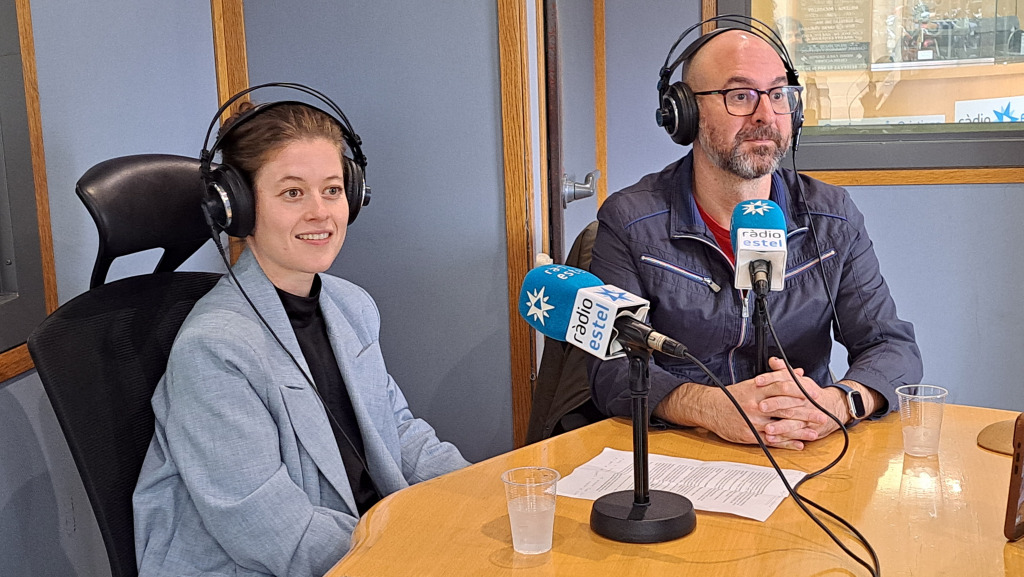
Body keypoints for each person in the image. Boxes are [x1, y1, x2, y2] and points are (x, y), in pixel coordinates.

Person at [133, 100, 469, 577]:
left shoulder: (351, 305)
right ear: (239, 208)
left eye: (332, 190)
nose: (320, 213)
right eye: (292, 193)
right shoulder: (214, 348)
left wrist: (483, 494)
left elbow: (398, 432)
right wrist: (410, 558)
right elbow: (268, 528)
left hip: (373, 542)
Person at [588, 28, 922, 451]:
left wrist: (838, 403)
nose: (766, 114)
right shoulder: (631, 221)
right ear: (684, 112)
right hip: (686, 449)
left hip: (804, 446)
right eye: (741, 95)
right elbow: (610, 367)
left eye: (778, 94)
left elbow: (891, 346)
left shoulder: (832, 217)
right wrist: (710, 407)